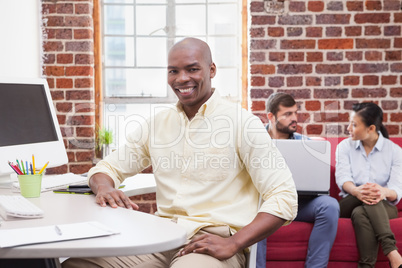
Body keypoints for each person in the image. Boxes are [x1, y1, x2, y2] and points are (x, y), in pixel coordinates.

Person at [62, 38, 298, 268]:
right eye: (173, 71)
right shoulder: (158, 125)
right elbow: (106, 168)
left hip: (211, 243)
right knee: (77, 263)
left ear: (211, 70)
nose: (182, 78)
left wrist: (234, 243)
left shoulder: (242, 123)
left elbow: (284, 197)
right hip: (162, 239)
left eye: (192, 69)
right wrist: (104, 186)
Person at [256, 92, 340, 268]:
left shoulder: (306, 144)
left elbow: (318, 178)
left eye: (295, 113)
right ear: (271, 117)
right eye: (287, 114)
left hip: (298, 203)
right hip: (265, 205)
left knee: (330, 205)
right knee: (252, 213)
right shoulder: (255, 142)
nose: (294, 118)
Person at [336, 102, 402, 268]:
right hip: (349, 202)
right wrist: (356, 191)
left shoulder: (394, 151)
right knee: (368, 195)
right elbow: (343, 179)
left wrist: (382, 192)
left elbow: (396, 190)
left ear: (371, 128)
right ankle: (392, 252)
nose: (348, 128)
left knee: (362, 212)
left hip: (384, 206)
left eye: (354, 124)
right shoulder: (344, 146)